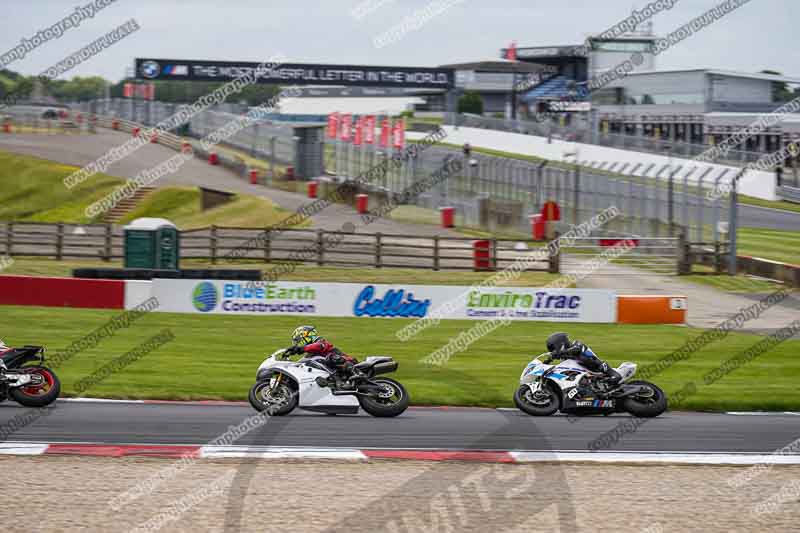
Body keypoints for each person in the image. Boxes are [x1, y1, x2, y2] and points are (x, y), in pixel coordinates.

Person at [544, 332, 621, 390]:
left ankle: (613, 374)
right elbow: (553, 358)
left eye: (554, 348)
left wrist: (560, 353)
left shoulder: (576, 344)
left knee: (586, 359)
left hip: (595, 367)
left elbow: (576, 350)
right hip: (584, 372)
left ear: (561, 343)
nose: (554, 351)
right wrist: (546, 362)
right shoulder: (564, 356)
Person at [284, 326, 358, 386]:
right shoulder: (310, 354)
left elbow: (319, 346)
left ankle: (341, 379)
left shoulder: (320, 341)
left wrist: (301, 348)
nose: (298, 343)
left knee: (325, 358)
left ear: (305, 337)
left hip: (348, 362)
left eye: (298, 340)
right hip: (338, 371)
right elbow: (300, 363)